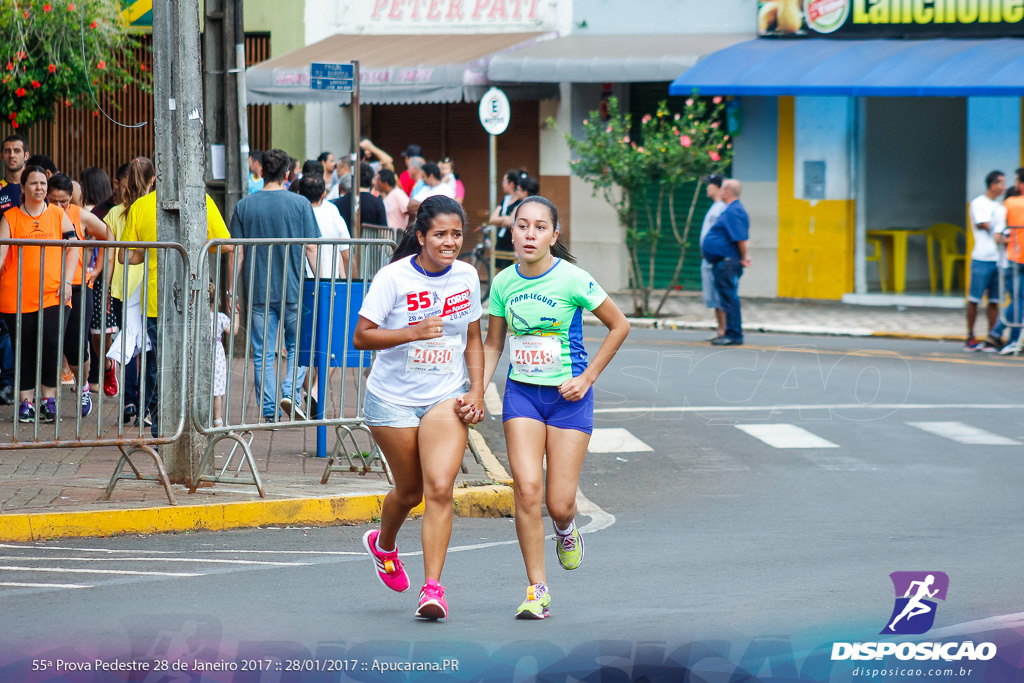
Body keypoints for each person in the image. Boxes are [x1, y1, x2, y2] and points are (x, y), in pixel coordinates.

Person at [478, 195, 629, 620]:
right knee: (526, 491)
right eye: (522, 225)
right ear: (512, 232)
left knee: (559, 502)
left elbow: (619, 325)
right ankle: (536, 589)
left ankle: (566, 528)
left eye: (539, 227)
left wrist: (587, 377)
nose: (530, 234)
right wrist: (477, 390)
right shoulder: (504, 282)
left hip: (568, 401)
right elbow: (493, 345)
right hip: (522, 395)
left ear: (553, 235)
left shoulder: (573, 279)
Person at [353, 195, 484, 621]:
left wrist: (477, 390)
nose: (450, 242)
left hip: (445, 394)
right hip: (391, 399)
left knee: (440, 488)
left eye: (457, 234)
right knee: (409, 492)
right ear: (422, 235)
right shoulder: (393, 278)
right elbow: (361, 337)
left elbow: (475, 341)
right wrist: (410, 332)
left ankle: (433, 588)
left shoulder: (467, 275)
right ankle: (384, 544)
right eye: (441, 234)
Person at [121, 158, 234, 435]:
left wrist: (151, 249)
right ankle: (194, 425)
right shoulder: (202, 202)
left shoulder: (141, 205)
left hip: (156, 301)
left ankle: (162, 428)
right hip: (194, 298)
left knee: (161, 366)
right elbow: (226, 246)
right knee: (192, 364)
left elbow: (127, 255)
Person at [228, 148, 318, 423]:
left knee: (264, 352)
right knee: (299, 346)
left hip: (258, 291)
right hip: (293, 288)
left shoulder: (245, 206)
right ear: (288, 174)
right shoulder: (300, 204)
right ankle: (290, 392)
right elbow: (312, 249)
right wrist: (324, 286)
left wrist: (231, 292)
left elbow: (237, 252)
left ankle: (268, 411)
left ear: (261, 171)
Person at [0, 165, 80, 423]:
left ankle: (49, 399)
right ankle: (26, 402)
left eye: (43, 184)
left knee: (51, 345)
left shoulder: (57, 214)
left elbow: (73, 248)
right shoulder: (10, 217)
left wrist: (68, 281)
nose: (39, 188)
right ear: (22, 188)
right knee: (23, 348)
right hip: (17, 296)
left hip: (53, 294)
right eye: (33, 183)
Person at [48, 173, 115, 418]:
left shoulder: (80, 215)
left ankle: (83, 384)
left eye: (63, 201)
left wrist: (95, 272)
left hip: (77, 287)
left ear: (71, 199)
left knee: (77, 346)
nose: (58, 207)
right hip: (47, 288)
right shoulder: (40, 215)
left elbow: (109, 237)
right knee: (54, 344)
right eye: (53, 201)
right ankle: (47, 397)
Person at [105, 160, 149, 423]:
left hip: (122, 287)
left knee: (128, 344)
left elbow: (111, 257)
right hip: (147, 287)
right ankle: (146, 404)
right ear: (152, 180)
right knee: (148, 347)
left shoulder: (114, 213)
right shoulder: (151, 209)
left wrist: (108, 290)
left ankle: (130, 400)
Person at [79, 167, 119, 390]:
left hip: (98, 275)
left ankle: (102, 370)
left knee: (99, 329)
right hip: (92, 275)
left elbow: (103, 241)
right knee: (93, 330)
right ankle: (94, 376)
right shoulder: (95, 210)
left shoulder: (97, 212)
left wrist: (95, 271)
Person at [702, 179, 751, 346]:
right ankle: (731, 333)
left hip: (727, 262)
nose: (720, 192)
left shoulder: (734, 211)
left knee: (729, 299)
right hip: (724, 261)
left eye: (722, 189)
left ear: (727, 192)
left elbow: (741, 238)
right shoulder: (731, 210)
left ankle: (733, 334)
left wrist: (744, 257)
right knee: (726, 298)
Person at [965, 171, 1006, 352]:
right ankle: (970, 336)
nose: (1003, 187)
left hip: (997, 260)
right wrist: (1002, 232)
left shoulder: (999, 206)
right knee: (974, 299)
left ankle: (991, 338)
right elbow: (986, 225)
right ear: (992, 185)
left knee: (994, 301)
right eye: (1001, 184)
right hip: (981, 258)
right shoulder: (978, 203)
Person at [297, 174, 350, 279]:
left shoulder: (297, 216)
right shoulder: (333, 215)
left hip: (303, 281)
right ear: (323, 195)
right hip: (331, 281)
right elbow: (345, 253)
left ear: (299, 194)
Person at [994, 169, 1024, 355]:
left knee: (1018, 299)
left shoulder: (1010, 203)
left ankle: (1004, 334)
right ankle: (1010, 337)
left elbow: (999, 234)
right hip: (1017, 259)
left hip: (1016, 258)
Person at [699, 175, 728, 340]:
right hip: (709, 259)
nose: (707, 188)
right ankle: (720, 329)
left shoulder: (722, 208)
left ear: (717, 187)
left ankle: (724, 329)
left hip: (717, 260)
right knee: (714, 297)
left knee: (720, 297)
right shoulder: (715, 207)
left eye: (709, 185)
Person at [209, 283, 237, 428]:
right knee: (216, 390)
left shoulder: (196, 317)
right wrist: (235, 313)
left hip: (201, 351)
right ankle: (217, 419)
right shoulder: (220, 317)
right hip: (217, 353)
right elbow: (234, 331)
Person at [333, 162, 388, 229]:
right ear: (371, 181)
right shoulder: (377, 203)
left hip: (346, 238)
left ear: (353, 179)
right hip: (371, 239)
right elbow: (384, 230)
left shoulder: (339, 202)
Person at [0, 134, 28, 213]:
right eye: (7, 151)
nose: (12, 155)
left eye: (17, 151)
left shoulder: (38, 186)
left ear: (26, 156)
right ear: (1, 156)